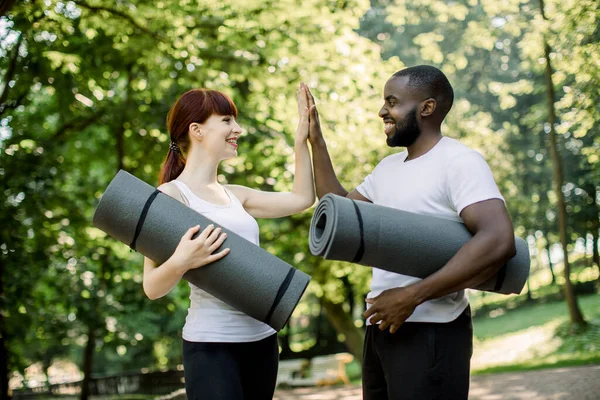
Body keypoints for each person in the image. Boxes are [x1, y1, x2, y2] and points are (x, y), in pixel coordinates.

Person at [304, 66, 516, 399]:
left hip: (433, 331)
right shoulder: (387, 168)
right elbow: (341, 210)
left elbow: (498, 240)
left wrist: (412, 297)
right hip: (383, 329)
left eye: (392, 102)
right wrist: (316, 140)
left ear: (426, 108)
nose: (382, 111)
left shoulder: (459, 161)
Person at [142, 85, 315, 400]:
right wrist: (182, 260)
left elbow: (303, 198)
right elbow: (152, 288)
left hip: (263, 342)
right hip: (211, 346)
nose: (238, 129)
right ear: (197, 130)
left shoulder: (236, 194)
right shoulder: (170, 197)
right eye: (226, 120)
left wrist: (300, 138)